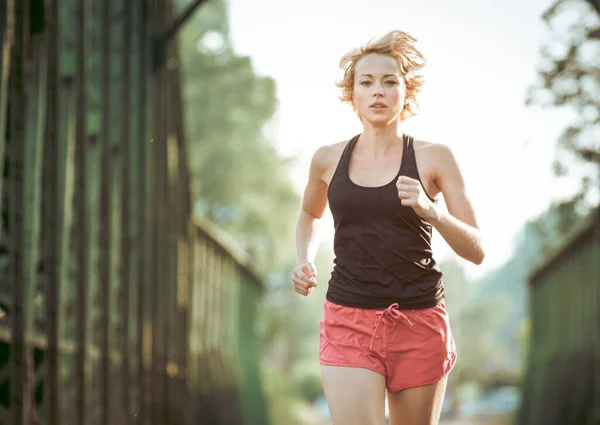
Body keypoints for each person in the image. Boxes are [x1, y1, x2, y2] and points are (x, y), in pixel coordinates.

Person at [292, 30, 485, 425]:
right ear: (353, 96)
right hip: (349, 317)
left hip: (420, 320)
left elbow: (476, 250)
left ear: (406, 92)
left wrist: (434, 213)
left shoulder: (436, 158)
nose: (377, 91)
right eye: (366, 82)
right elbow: (310, 215)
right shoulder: (327, 159)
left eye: (389, 81)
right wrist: (304, 259)